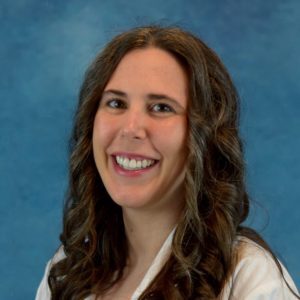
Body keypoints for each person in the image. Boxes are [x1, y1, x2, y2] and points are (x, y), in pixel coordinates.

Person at [36, 25, 299, 300]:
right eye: (116, 103)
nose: (131, 128)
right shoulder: (67, 272)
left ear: (204, 136)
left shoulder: (248, 278)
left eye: (161, 107)